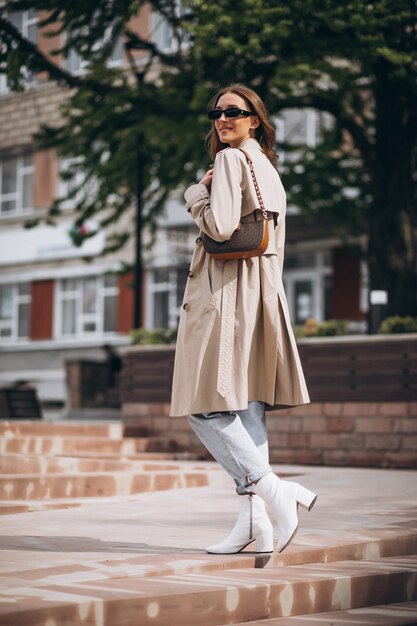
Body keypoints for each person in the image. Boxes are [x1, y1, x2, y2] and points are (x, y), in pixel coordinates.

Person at [170, 84, 316, 555]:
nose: (222, 119)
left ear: (255, 119)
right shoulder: (269, 170)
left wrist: (196, 193)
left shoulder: (232, 161)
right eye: (217, 112)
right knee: (247, 408)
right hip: (263, 294)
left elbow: (221, 227)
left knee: (205, 405)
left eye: (235, 111)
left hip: (229, 295)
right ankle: (254, 524)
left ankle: (276, 492)